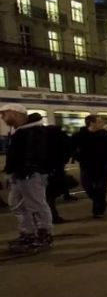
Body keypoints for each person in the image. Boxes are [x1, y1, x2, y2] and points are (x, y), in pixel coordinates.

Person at [2, 104, 54, 252]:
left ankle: (44, 235)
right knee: (16, 204)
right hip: (18, 174)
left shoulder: (34, 131)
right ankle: (28, 233)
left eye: (4, 114)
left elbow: (36, 154)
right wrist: (10, 172)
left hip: (30, 174)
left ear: (15, 113)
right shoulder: (17, 130)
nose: (2, 117)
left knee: (36, 204)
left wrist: (28, 169)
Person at [72, 114, 107, 218]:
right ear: (91, 123)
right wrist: (78, 157)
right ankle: (101, 202)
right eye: (99, 121)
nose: (102, 123)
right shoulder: (79, 135)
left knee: (101, 188)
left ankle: (98, 211)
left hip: (102, 165)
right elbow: (72, 148)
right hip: (86, 165)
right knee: (87, 186)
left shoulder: (104, 135)